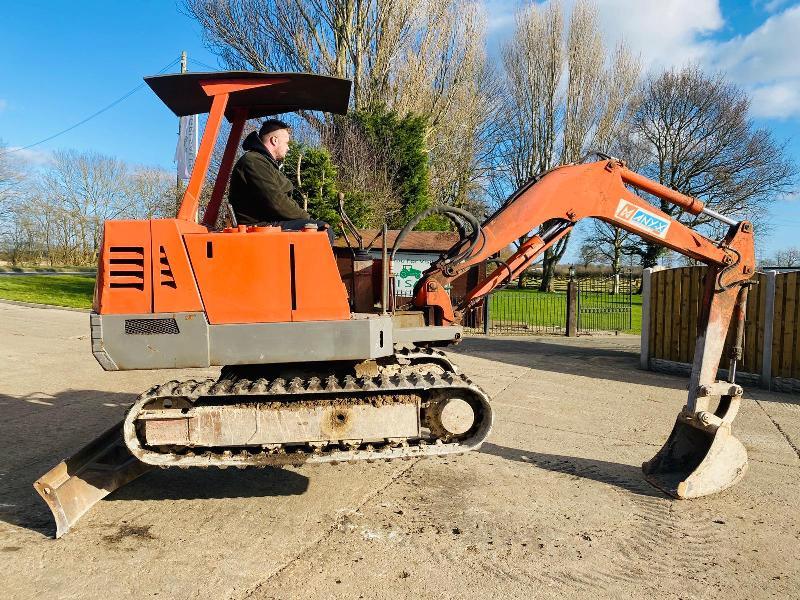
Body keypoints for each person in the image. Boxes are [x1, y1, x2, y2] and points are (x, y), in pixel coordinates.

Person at [228, 119, 333, 243]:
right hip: (259, 226)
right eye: (287, 143)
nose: (288, 148)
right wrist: (307, 218)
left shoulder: (263, 162)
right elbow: (276, 202)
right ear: (274, 140)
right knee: (322, 230)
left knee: (319, 227)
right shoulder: (253, 161)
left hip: (267, 223)